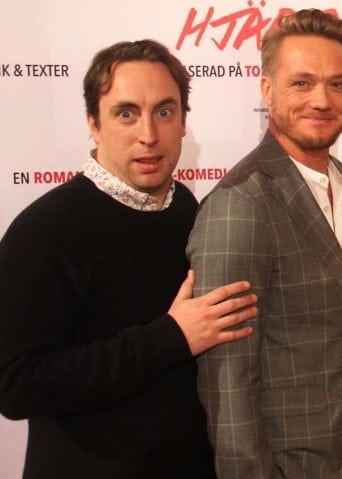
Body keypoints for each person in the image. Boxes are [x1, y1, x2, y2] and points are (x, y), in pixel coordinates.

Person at [0, 39, 257, 477]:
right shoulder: (44, 230)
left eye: (164, 111)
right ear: (93, 124)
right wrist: (170, 336)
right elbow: (16, 385)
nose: (148, 135)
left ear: (183, 122)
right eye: (126, 113)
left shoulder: (189, 211)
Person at [188, 9, 342, 477]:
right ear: (267, 89)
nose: (322, 100)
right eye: (302, 83)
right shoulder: (241, 202)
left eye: (337, 84)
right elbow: (227, 378)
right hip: (291, 465)